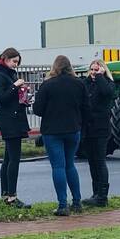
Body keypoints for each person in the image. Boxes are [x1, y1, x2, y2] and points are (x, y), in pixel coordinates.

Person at [32, 55, 87, 216]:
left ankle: (63, 205)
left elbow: (38, 110)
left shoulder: (47, 85)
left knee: (58, 166)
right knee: (70, 165)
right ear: (70, 67)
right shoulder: (79, 84)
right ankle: (77, 202)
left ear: (54, 67)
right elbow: (86, 107)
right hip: (73, 129)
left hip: (52, 131)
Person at [0, 48, 31, 208]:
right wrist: (15, 86)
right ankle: (11, 196)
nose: (16, 65)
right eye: (14, 61)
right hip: (9, 120)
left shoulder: (8, 73)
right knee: (14, 159)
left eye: (17, 62)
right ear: (5, 59)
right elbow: (1, 98)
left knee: (8, 158)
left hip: (15, 117)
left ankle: (6, 195)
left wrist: (23, 94)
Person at [81, 59, 114, 207]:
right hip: (88, 128)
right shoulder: (86, 84)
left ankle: (102, 196)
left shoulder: (107, 84)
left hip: (100, 128)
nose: (93, 73)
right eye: (92, 70)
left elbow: (107, 93)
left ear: (103, 70)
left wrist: (101, 77)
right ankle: (96, 193)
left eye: (97, 70)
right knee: (92, 162)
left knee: (100, 161)